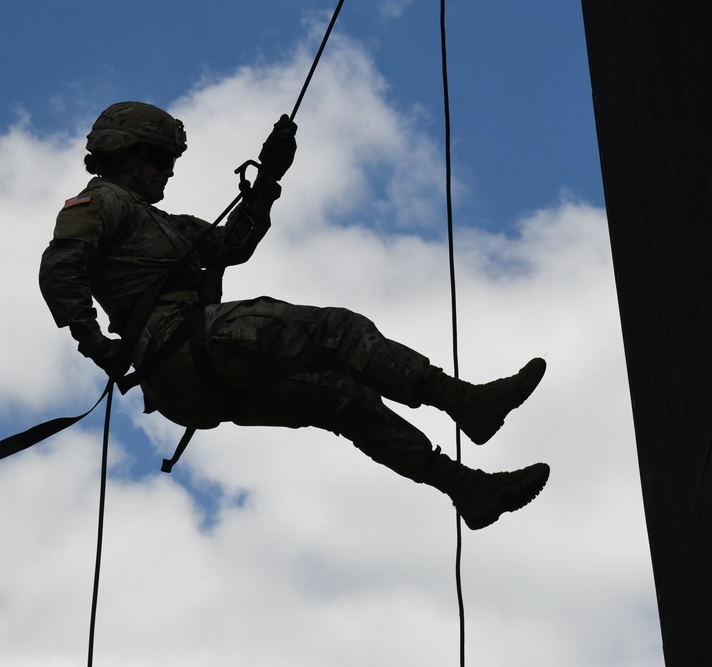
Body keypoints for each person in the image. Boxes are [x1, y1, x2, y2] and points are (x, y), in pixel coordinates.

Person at [39, 101, 549, 530]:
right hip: (180, 346)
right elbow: (62, 266)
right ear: (130, 155)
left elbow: (229, 246)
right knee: (336, 332)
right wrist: (94, 342)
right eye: (161, 161)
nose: (169, 171)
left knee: (345, 400)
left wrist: (268, 178)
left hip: (188, 380)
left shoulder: (160, 221)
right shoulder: (102, 201)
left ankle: (467, 490)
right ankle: (466, 403)